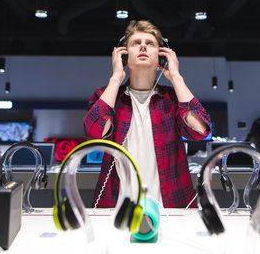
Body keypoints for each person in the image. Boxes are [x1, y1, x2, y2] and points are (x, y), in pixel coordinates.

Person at [84, 20, 211, 208]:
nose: (143, 46)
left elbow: (200, 131)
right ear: (124, 56)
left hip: (171, 206)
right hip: (116, 206)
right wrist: (115, 78)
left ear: (161, 56)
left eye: (150, 43)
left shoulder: (173, 98)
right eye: (136, 43)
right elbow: (94, 134)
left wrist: (176, 77)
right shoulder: (109, 96)